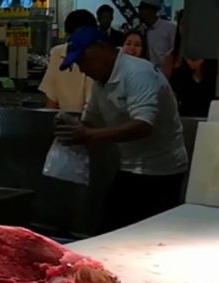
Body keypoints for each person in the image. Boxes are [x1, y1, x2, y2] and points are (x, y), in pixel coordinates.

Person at [54, 27, 188, 233]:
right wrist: (73, 128)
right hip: (129, 166)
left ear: (102, 48)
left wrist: (88, 135)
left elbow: (143, 125)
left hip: (161, 170)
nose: (83, 69)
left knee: (147, 237)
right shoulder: (101, 82)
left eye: (84, 61)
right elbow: (92, 122)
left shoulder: (138, 73)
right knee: (112, 231)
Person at [38, 10, 97, 113]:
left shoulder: (96, 56)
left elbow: (91, 106)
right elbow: (51, 98)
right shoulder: (58, 53)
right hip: (64, 118)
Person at [138, 0, 176, 70]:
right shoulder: (143, 29)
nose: (140, 13)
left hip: (166, 70)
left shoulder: (170, 28)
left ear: (152, 11)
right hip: (148, 70)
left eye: (143, 10)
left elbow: (175, 49)